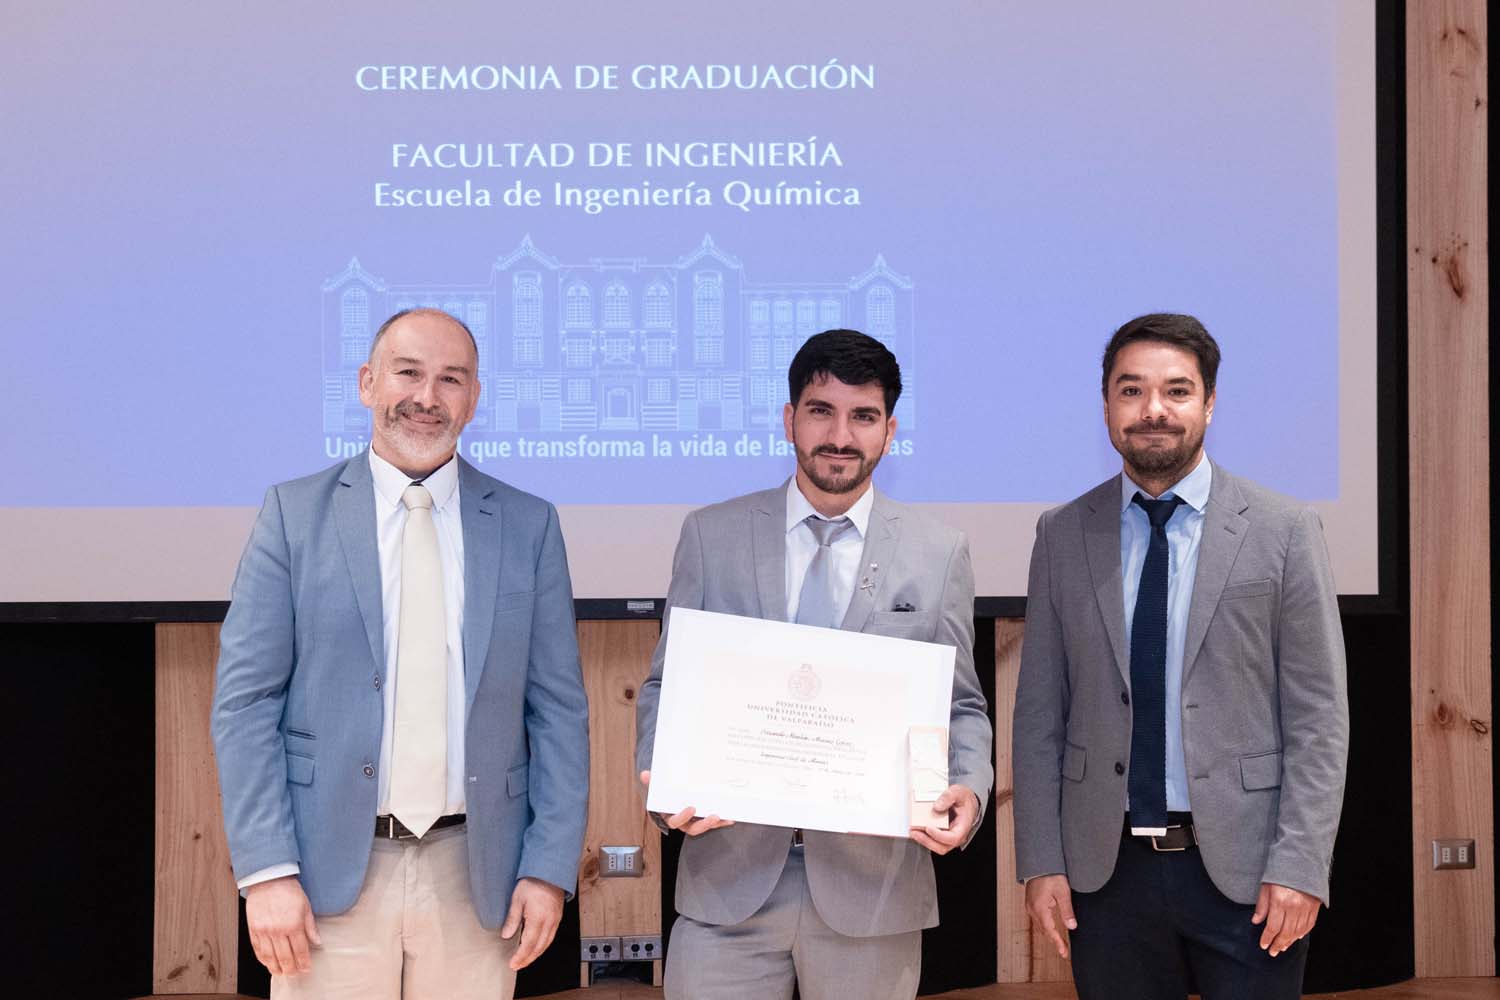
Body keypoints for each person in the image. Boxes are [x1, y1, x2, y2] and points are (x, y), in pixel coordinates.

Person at [211, 308, 589, 999]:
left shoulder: (528, 524)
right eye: (408, 373)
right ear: (367, 383)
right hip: (323, 878)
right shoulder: (294, 515)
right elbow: (245, 703)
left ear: (474, 398)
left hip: (478, 876)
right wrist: (266, 872)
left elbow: (559, 711)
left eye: (451, 379)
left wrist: (547, 868)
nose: (427, 397)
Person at [634, 329, 994, 1000]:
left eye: (864, 416)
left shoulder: (938, 551)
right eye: (821, 411)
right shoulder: (711, 535)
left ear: (889, 432)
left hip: (875, 891)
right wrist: (666, 790)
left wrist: (968, 792)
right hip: (727, 883)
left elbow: (962, 705)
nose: (840, 436)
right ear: (789, 420)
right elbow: (665, 684)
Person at [1012, 313, 1349, 999]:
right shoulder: (1062, 534)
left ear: (1210, 403)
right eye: (1131, 390)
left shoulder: (1284, 530)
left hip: (1250, 872)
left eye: (1177, 390)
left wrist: (1301, 865)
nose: (1153, 410)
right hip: (1105, 876)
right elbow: (1040, 715)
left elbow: (1319, 718)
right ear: (1106, 405)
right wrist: (1041, 861)